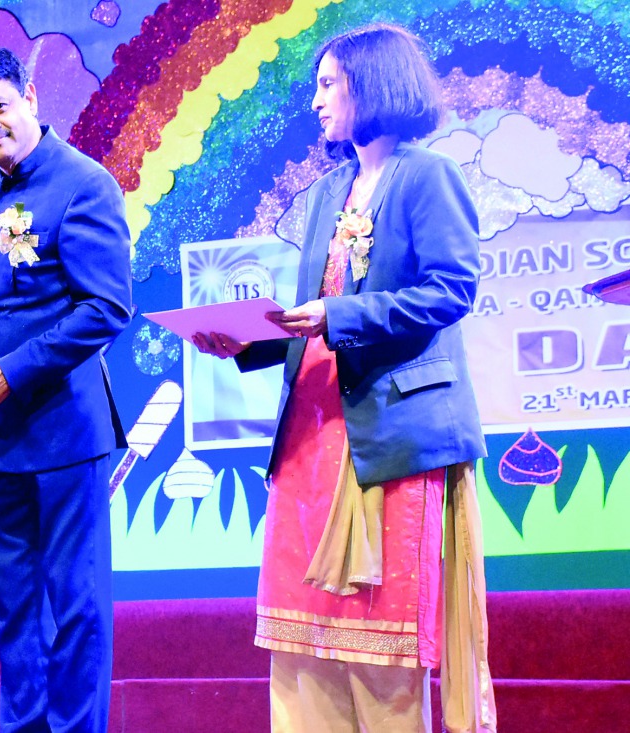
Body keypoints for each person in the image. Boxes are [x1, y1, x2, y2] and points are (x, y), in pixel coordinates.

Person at [194, 24, 496, 733]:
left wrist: (335, 313)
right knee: (301, 654)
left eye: (328, 84)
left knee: (381, 657)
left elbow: (451, 291)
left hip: (385, 440)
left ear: (374, 81)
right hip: (310, 438)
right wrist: (242, 341)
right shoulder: (331, 189)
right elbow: (316, 319)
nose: (316, 102)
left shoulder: (427, 176)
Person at [0, 48, 133, 732]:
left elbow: (106, 308)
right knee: (13, 606)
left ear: (31, 97)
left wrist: (9, 372)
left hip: (64, 434)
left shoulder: (86, 183)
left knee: (74, 607)